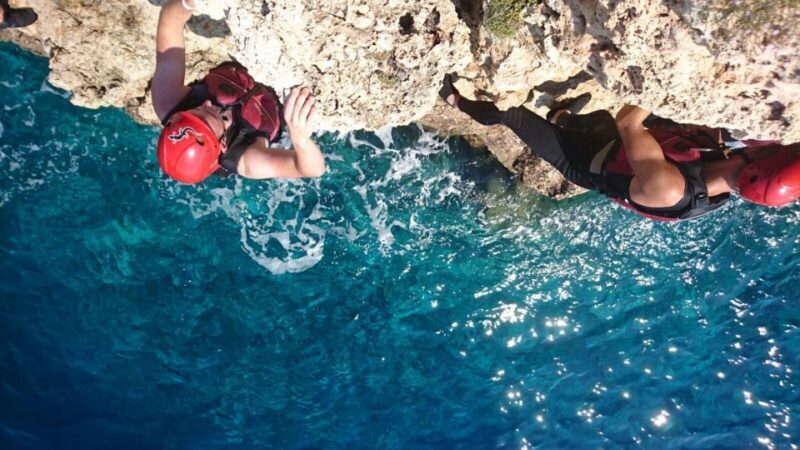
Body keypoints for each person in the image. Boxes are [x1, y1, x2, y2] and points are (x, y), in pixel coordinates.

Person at [440, 74, 800, 221]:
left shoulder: (670, 188)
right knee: (592, 121)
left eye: (772, 147)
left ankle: (457, 102)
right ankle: (562, 115)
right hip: (616, 150)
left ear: (763, 157)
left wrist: (689, 77)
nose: (768, 142)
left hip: (584, 163)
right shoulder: (732, 163)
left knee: (512, 115)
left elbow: (629, 121)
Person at [152, 0, 326, 184]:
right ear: (223, 143)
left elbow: (170, 21)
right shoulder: (247, 160)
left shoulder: (168, 101)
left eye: (193, 112)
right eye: (208, 115)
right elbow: (313, 169)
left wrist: (189, 2)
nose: (206, 103)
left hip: (246, 65)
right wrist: (300, 139)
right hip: (276, 103)